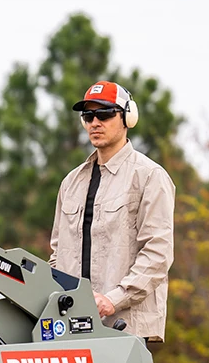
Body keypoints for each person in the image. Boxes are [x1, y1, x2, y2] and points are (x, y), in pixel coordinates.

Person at [49, 81, 176, 342]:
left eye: (105, 114)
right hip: (71, 330)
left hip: (125, 328)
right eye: (88, 116)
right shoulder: (70, 183)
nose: (95, 122)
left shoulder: (150, 177)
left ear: (128, 117)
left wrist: (113, 299)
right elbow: (57, 255)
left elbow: (158, 255)